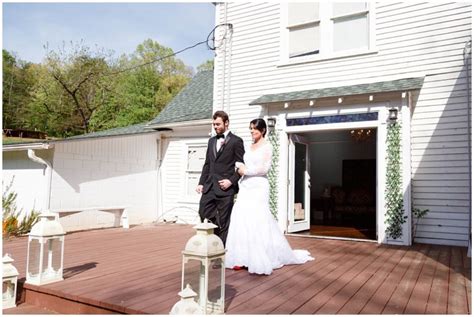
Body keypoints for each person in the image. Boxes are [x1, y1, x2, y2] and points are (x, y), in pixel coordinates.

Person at [225, 118, 314, 275]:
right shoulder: (249, 146)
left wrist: (245, 171)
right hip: (245, 186)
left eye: (255, 129)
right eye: (250, 128)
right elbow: (242, 164)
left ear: (263, 130)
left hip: (259, 185)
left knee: (257, 218)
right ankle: (240, 257)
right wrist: (239, 167)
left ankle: (260, 256)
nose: (252, 131)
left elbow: (264, 168)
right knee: (242, 217)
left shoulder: (268, 146)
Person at [196, 110, 245, 246]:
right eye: (214, 124)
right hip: (210, 186)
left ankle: (220, 253)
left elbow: (242, 166)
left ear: (226, 123)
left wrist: (231, 181)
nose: (215, 127)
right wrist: (201, 183)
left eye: (218, 124)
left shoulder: (236, 141)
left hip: (225, 189)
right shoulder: (211, 141)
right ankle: (216, 232)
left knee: (224, 222)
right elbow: (207, 164)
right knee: (203, 211)